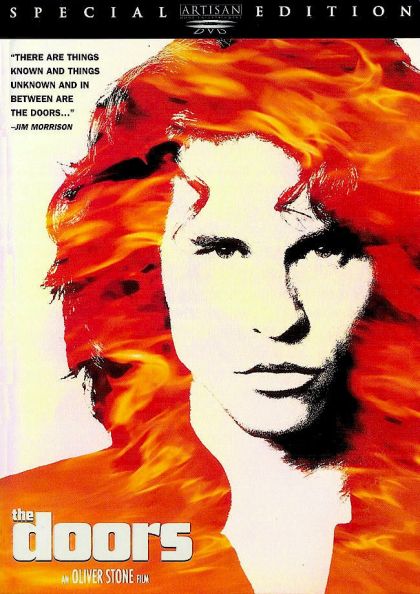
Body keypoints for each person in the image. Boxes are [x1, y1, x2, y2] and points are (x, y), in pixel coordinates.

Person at [1, 39, 419, 594]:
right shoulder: (25, 534)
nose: (278, 317)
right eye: (222, 250)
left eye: (324, 249)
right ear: (141, 269)